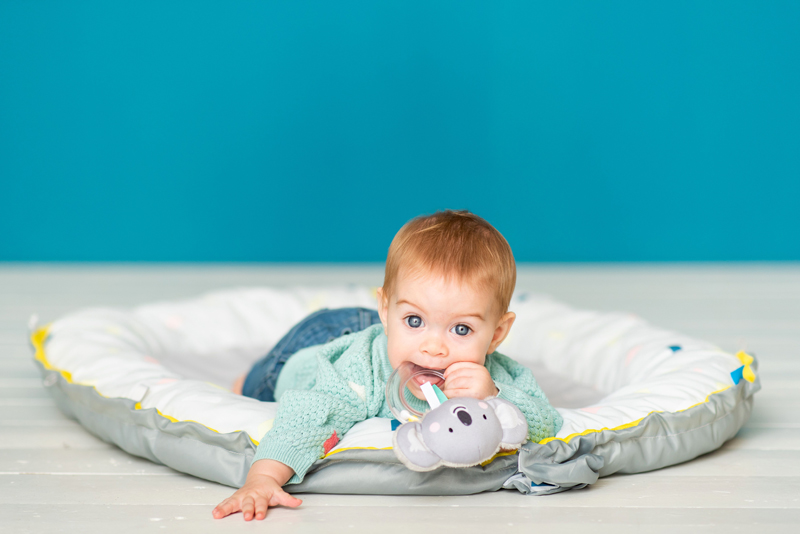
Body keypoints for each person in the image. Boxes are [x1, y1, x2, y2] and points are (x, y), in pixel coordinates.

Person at [213, 210, 563, 521]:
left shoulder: (493, 375)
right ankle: (249, 377)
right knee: (259, 384)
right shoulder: (359, 369)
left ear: (497, 334)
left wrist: (494, 395)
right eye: (415, 320)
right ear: (386, 309)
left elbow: (545, 421)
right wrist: (263, 479)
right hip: (314, 342)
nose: (433, 348)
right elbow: (309, 417)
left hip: (386, 329)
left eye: (461, 329)